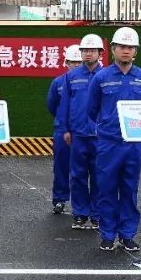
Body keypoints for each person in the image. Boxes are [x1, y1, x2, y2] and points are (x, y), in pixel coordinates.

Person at [87, 27, 141, 252]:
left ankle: (127, 234)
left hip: (133, 144)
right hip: (109, 143)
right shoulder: (101, 78)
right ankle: (107, 234)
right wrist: (107, 127)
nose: (126, 51)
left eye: (130, 47)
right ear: (113, 49)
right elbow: (92, 109)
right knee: (106, 188)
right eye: (122, 47)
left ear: (136, 51)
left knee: (130, 189)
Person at [63, 33, 104, 229]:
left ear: (100, 53)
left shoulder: (106, 76)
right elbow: (64, 105)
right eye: (85, 50)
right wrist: (66, 129)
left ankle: (97, 214)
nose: (88, 54)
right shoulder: (71, 76)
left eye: (91, 50)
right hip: (78, 133)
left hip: (100, 135)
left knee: (99, 175)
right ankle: (80, 213)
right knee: (78, 175)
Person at [46, 45, 82, 215]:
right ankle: (60, 199)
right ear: (65, 62)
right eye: (72, 62)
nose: (75, 65)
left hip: (84, 131)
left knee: (85, 168)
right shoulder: (58, 82)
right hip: (63, 131)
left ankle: (83, 204)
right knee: (61, 166)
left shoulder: (93, 79)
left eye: (78, 62)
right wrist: (63, 121)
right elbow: (52, 105)